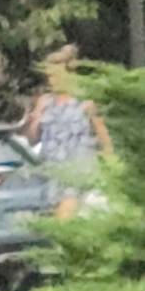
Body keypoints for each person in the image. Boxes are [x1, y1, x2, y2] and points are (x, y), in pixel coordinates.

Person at [23, 48, 109, 211]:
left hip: (77, 177)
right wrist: (36, 117)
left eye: (55, 76)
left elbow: (104, 140)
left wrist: (110, 171)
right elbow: (31, 140)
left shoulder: (86, 102)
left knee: (61, 224)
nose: (51, 81)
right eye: (49, 76)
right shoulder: (45, 102)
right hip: (51, 178)